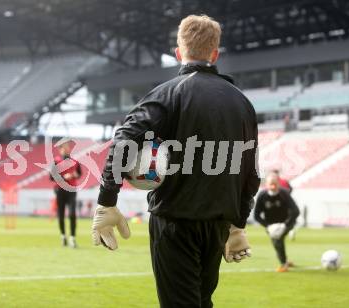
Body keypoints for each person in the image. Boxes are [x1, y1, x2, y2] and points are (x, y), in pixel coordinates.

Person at [92, 15, 260, 307]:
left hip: (175, 221)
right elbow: (250, 172)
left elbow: (123, 142)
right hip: (217, 226)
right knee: (201, 301)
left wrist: (107, 200)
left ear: (178, 53)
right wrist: (237, 225)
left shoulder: (167, 93)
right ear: (215, 53)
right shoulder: (242, 102)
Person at [254, 172, 300, 272]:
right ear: (266, 184)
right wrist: (268, 226)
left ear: (279, 184)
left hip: (286, 222)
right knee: (276, 240)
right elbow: (256, 216)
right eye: (271, 184)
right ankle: (285, 261)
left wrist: (285, 225)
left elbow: (296, 211)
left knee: (277, 240)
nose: (273, 186)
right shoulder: (262, 196)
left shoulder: (284, 194)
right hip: (271, 225)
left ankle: (284, 264)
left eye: (275, 184)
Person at [50, 139, 82, 248]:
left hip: (71, 190)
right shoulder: (56, 161)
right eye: (65, 147)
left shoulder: (75, 162)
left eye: (68, 147)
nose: (67, 149)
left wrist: (74, 175)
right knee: (61, 214)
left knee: (72, 214)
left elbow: (79, 174)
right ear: (60, 149)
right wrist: (64, 177)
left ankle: (72, 238)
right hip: (60, 190)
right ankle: (63, 236)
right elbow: (51, 177)